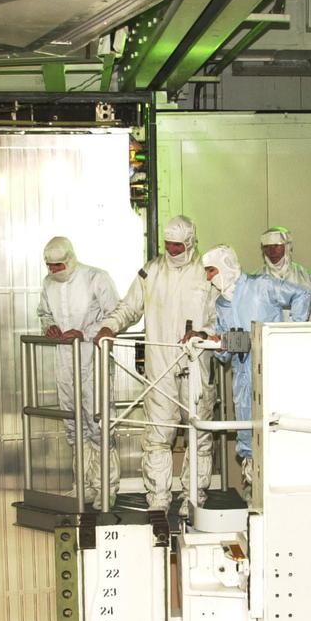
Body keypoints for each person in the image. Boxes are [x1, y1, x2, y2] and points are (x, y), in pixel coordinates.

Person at [94, 216, 217, 510]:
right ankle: (159, 499)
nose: (172, 251)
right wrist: (110, 326)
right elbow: (129, 307)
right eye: (168, 245)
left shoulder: (207, 273)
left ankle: (194, 498)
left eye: (178, 246)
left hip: (196, 363)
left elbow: (222, 316)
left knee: (198, 435)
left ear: (190, 243)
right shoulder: (151, 271)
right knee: (157, 436)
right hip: (159, 366)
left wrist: (204, 333)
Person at [201, 245, 311, 493]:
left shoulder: (260, 285)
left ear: (226, 266)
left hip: (272, 376)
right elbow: (228, 349)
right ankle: (255, 502)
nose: (209, 277)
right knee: (249, 442)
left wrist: (286, 336)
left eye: (211, 270)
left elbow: (303, 294)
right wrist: (220, 346)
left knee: (276, 438)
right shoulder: (221, 303)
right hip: (243, 383)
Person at [37, 236, 121, 504]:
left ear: (70, 259)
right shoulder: (48, 284)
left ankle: (105, 488)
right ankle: (83, 485)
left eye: (59, 266)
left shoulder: (96, 277)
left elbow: (116, 315)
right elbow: (44, 313)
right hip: (65, 359)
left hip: (92, 357)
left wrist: (85, 332)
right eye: (50, 267)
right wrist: (49, 326)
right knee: (73, 425)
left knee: (98, 424)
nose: (54, 272)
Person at [256, 226, 311, 321]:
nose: (272, 251)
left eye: (277, 246)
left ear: (287, 247)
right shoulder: (254, 281)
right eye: (267, 247)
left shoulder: (308, 279)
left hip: (302, 335)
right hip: (267, 335)